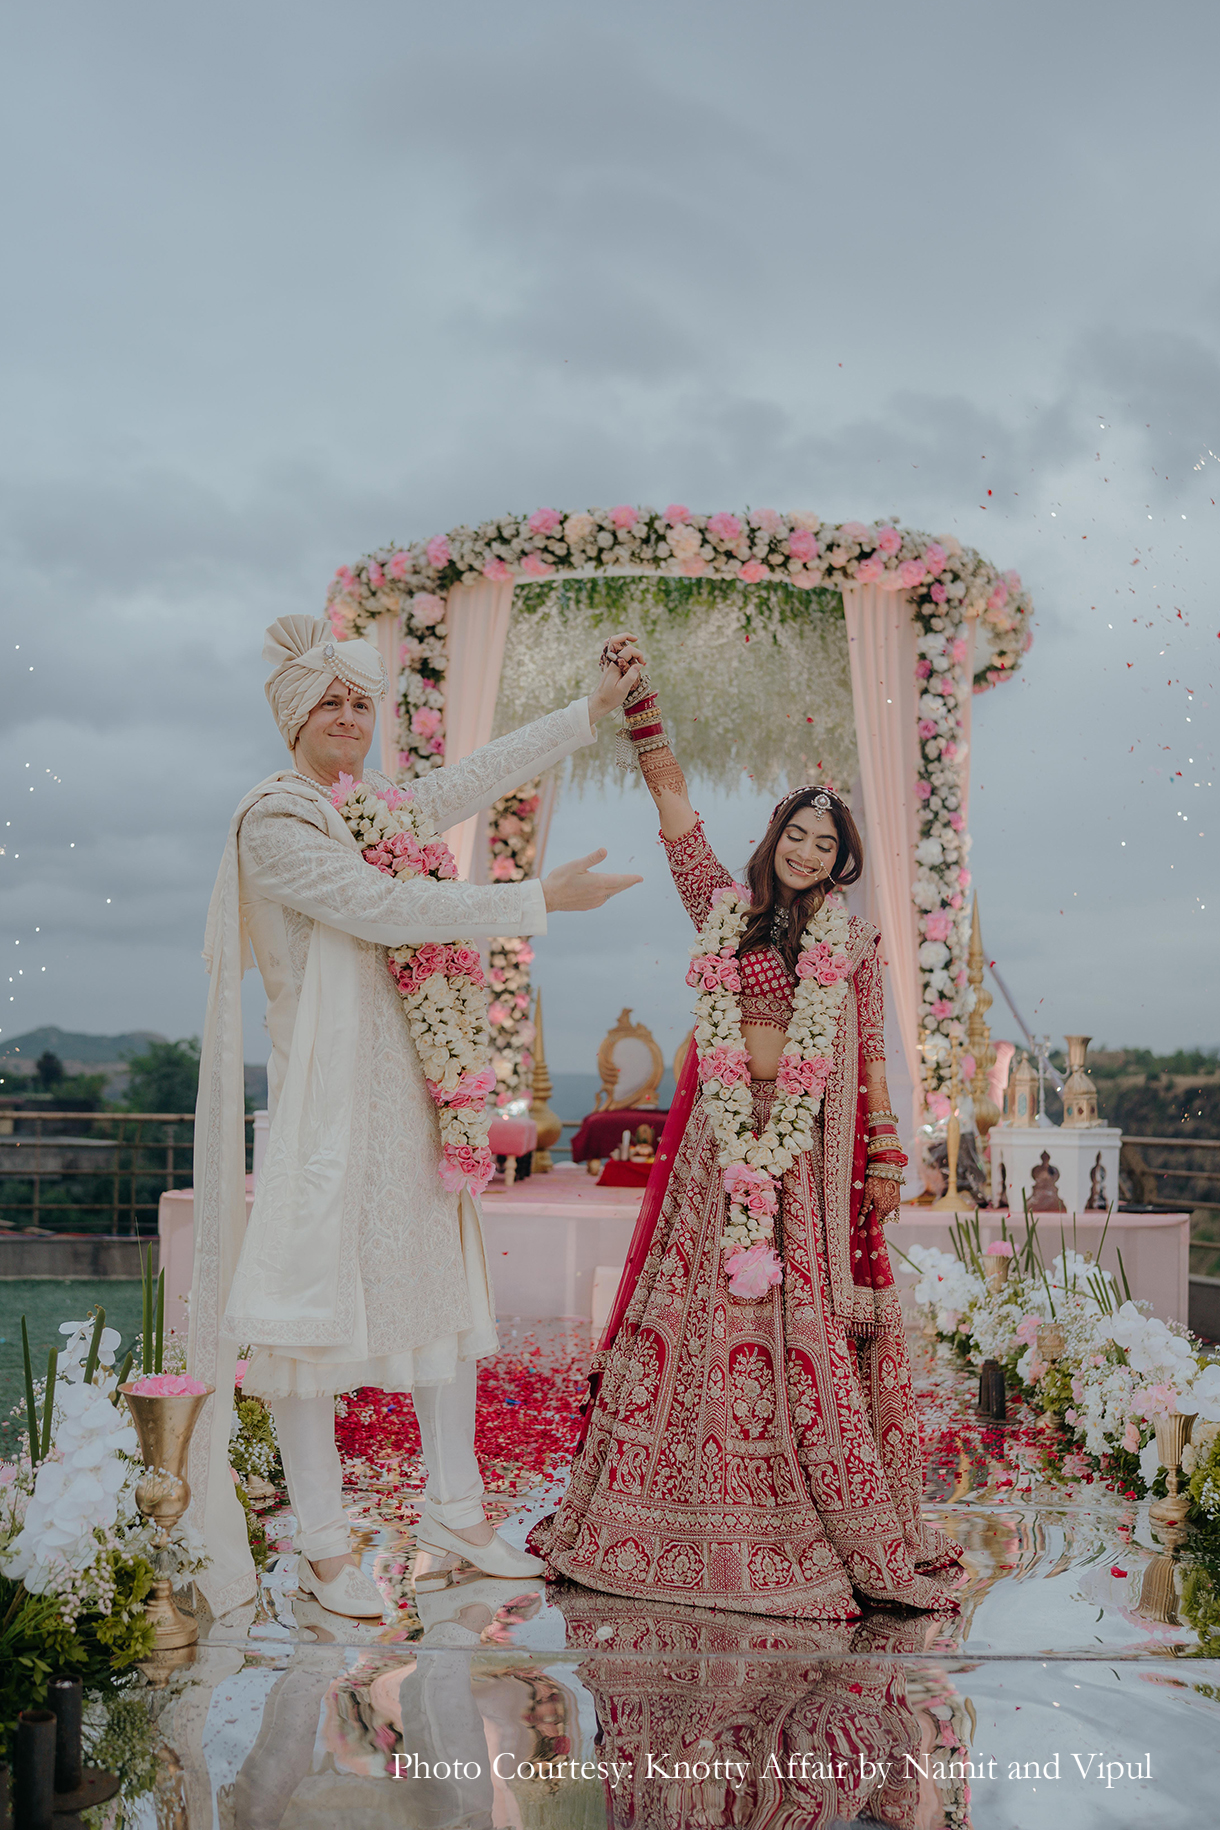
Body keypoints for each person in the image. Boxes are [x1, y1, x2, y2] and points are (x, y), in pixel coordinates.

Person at [188, 615, 643, 1619]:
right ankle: (322, 1545)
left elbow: (470, 778)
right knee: (308, 1319)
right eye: (331, 702)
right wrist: (535, 899)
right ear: (293, 719)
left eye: (362, 702)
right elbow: (379, 906)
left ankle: (456, 1512)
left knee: (441, 1295)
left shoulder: (376, 807)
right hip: (325, 1103)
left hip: (413, 1091)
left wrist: (586, 713)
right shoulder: (276, 820)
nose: (350, 717)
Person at [530, 638, 964, 1618]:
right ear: (774, 838)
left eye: (825, 845)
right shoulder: (721, 910)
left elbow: (867, 1053)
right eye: (797, 835)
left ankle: (792, 1499)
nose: (808, 853)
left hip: (802, 1154)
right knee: (702, 1313)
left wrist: (884, 1152)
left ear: (840, 861)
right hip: (718, 1151)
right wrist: (641, 714)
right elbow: (676, 813)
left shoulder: (851, 940)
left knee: (793, 1320)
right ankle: (685, 1499)